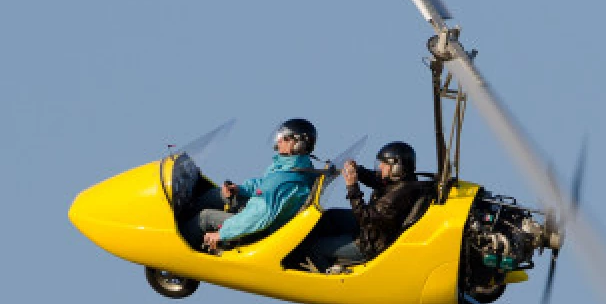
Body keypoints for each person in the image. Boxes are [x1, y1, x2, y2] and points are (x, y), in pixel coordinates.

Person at [180, 118, 319, 251]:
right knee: (218, 194)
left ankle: (177, 251)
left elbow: (259, 215)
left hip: (264, 232)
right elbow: (264, 184)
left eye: (285, 138)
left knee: (205, 218)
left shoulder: (286, 180)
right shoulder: (296, 167)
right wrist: (240, 189)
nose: (279, 140)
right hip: (266, 220)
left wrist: (222, 234)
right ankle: (182, 221)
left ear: (298, 145)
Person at [307, 141, 428, 270]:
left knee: (314, 248)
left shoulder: (399, 196)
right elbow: (376, 180)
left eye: (384, 163)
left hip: (370, 244)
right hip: (373, 231)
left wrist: (352, 187)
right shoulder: (401, 182)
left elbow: (366, 217)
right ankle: (333, 248)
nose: (380, 166)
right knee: (330, 217)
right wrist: (357, 170)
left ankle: (328, 281)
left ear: (397, 167)